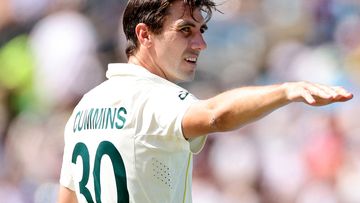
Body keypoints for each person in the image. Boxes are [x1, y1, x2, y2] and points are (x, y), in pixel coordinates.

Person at [57, 0, 353, 202]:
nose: (200, 44)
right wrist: (286, 91)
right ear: (144, 34)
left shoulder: (85, 106)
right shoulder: (153, 97)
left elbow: (67, 198)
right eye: (185, 30)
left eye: (201, 31)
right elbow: (215, 115)